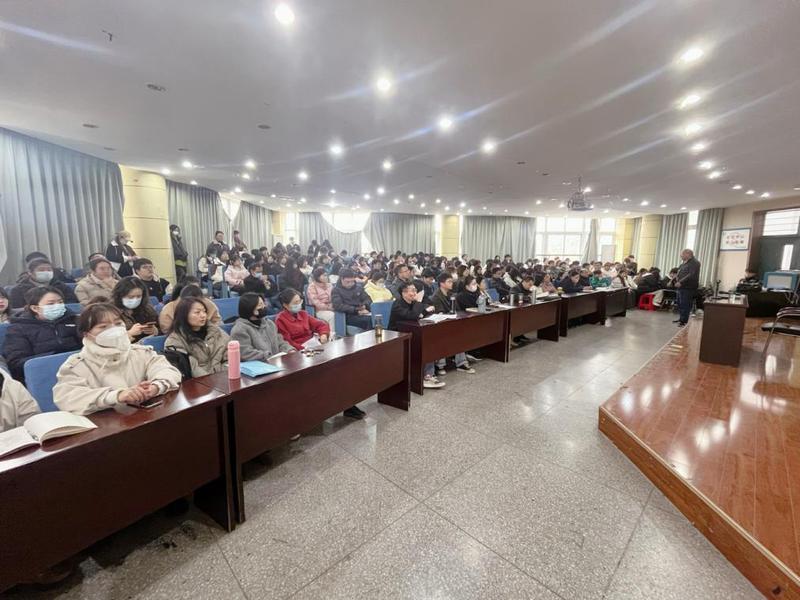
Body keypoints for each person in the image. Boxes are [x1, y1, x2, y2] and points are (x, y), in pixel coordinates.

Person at [53, 303, 181, 415]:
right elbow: (68, 398)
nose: (114, 330)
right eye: (103, 327)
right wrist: (116, 396)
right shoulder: (76, 365)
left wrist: (156, 386)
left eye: (118, 323)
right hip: (106, 427)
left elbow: (168, 370)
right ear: (87, 334)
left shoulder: (141, 353)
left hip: (144, 418)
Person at [3, 287, 82, 382]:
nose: (58, 306)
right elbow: (16, 363)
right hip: (44, 374)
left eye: (60, 302)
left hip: (78, 369)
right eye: (51, 304)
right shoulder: (18, 329)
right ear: (35, 308)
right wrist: (53, 357)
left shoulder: (73, 320)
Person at [387, 281, 444, 389]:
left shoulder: (413, 303)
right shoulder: (397, 304)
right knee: (423, 345)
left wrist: (422, 310)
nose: (415, 293)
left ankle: (428, 375)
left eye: (416, 291)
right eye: (412, 291)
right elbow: (413, 315)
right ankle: (423, 377)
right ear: (404, 293)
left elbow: (425, 311)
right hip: (397, 335)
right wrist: (419, 306)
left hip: (412, 332)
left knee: (430, 342)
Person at [165, 297, 229, 377]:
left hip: (222, 377)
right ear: (184, 315)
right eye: (197, 312)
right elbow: (191, 368)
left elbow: (229, 355)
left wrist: (223, 374)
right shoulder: (175, 340)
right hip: (198, 381)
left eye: (204, 311)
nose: (203, 315)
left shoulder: (216, 331)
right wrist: (210, 380)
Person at [430, 274, 475, 375]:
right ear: (442, 284)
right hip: (440, 326)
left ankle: (461, 363)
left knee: (460, 333)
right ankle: (440, 365)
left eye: (452, 281)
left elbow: (458, 310)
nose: (452, 283)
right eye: (449, 281)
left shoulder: (451, 295)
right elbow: (439, 314)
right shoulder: (436, 297)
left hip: (451, 323)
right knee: (444, 335)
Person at [230, 293, 294, 362]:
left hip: (276, 362)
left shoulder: (269, 323)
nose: (264, 306)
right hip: (260, 365)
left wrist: (289, 350)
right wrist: (267, 356)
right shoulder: (240, 330)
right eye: (260, 305)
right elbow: (245, 353)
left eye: (264, 303)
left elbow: (280, 341)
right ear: (250, 308)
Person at [10, 258, 78, 308]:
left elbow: (72, 304)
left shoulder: (61, 286)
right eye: (41, 270)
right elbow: (16, 309)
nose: (46, 272)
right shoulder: (18, 290)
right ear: (30, 272)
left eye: (49, 270)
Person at [111, 276, 160, 341]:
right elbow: (109, 339)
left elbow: (162, 329)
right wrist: (129, 333)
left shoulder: (147, 308)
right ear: (120, 295)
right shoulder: (110, 312)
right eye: (131, 297)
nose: (135, 300)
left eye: (139, 296)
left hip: (147, 344)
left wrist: (156, 331)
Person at [675, 249, 701, 327]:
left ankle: (684, 321)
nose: (680, 256)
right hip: (681, 287)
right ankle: (681, 318)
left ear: (688, 254)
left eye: (682, 254)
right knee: (679, 303)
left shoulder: (695, 263)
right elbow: (679, 271)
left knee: (685, 304)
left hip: (688, 287)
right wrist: (677, 278)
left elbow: (691, 274)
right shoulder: (684, 263)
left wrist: (681, 282)